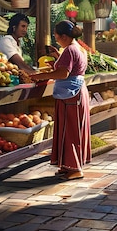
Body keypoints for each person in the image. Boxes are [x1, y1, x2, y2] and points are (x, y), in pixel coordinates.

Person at [30, 20, 91, 180]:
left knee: (70, 131)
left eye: (56, 36)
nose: (56, 39)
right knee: (69, 129)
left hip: (71, 95)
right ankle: (67, 166)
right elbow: (69, 68)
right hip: (76, 92)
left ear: (64, 36)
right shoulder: (77, 48)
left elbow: (63, 74)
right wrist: (57, 56)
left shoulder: (70, 50)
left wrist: (39, 76)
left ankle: (75, 169)